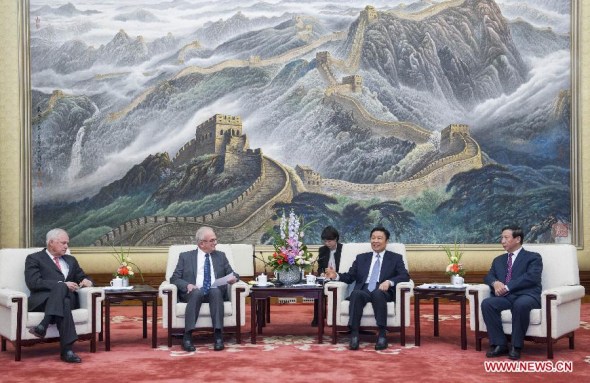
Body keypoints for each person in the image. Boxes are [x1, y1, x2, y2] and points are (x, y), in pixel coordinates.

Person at [325, 226, 410, 350]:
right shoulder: (361, 258)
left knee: (378, 294)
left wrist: (389, 282)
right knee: (356, 294)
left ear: (386, 241)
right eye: (373, 238)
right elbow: (350, 277)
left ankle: (382, 334)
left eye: (379, 238)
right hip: (364, 289)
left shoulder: (395, 258)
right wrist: (336, 275)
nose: (375, 241)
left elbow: (405, 275)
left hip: (383, 290)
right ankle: (354, 335)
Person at [24, 228, 94, 363]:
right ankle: (67, 350)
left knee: (65, 298)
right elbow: (33, 283)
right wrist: (61, 284)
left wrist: (87, 281)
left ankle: (43, 325)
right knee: (64, 300)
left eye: (67, 243)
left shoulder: (71, 260)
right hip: (42, 300)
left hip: (70, 298)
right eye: (63, 243)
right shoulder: (34, 258)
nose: (66, 246)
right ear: (51, 243)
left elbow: (83, 277)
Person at [171, 226, 238, 352]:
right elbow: (174, 278)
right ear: (202, 243)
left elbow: (234, 274)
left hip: (214, 292)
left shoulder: (221, 256)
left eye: (215, 240)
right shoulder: (185, 257)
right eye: (212, 240)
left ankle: (218, 336)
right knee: (196, 293)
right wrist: (187, 285)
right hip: (193, 292)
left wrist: (234, 279)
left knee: (215, 291)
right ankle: (187, 336)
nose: (215, 243)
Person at [482, 225, 543, 360]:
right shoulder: (498, 260)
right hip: (506, 297)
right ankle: (499, 344)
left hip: (527, 295)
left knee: (520, 305)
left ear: (517, 239)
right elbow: (489, 276)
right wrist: (495, 283)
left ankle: (516, 346)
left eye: (506, 237)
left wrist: (508, 287)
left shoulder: (533, 257)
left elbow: (531, 277)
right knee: (487, 304)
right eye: (501, 238)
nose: (502, 241)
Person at [311, 226, 343, 326]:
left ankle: (335, 318)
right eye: (325, 241)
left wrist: (335, 274)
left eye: (329, 241)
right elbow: (320, 267)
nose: (327, 243)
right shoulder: (322, 250)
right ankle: (318, 318)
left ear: (336, 239)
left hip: (339, 278)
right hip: (326, 278)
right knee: (318, 289)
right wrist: (321, 273)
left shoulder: (343, 249)